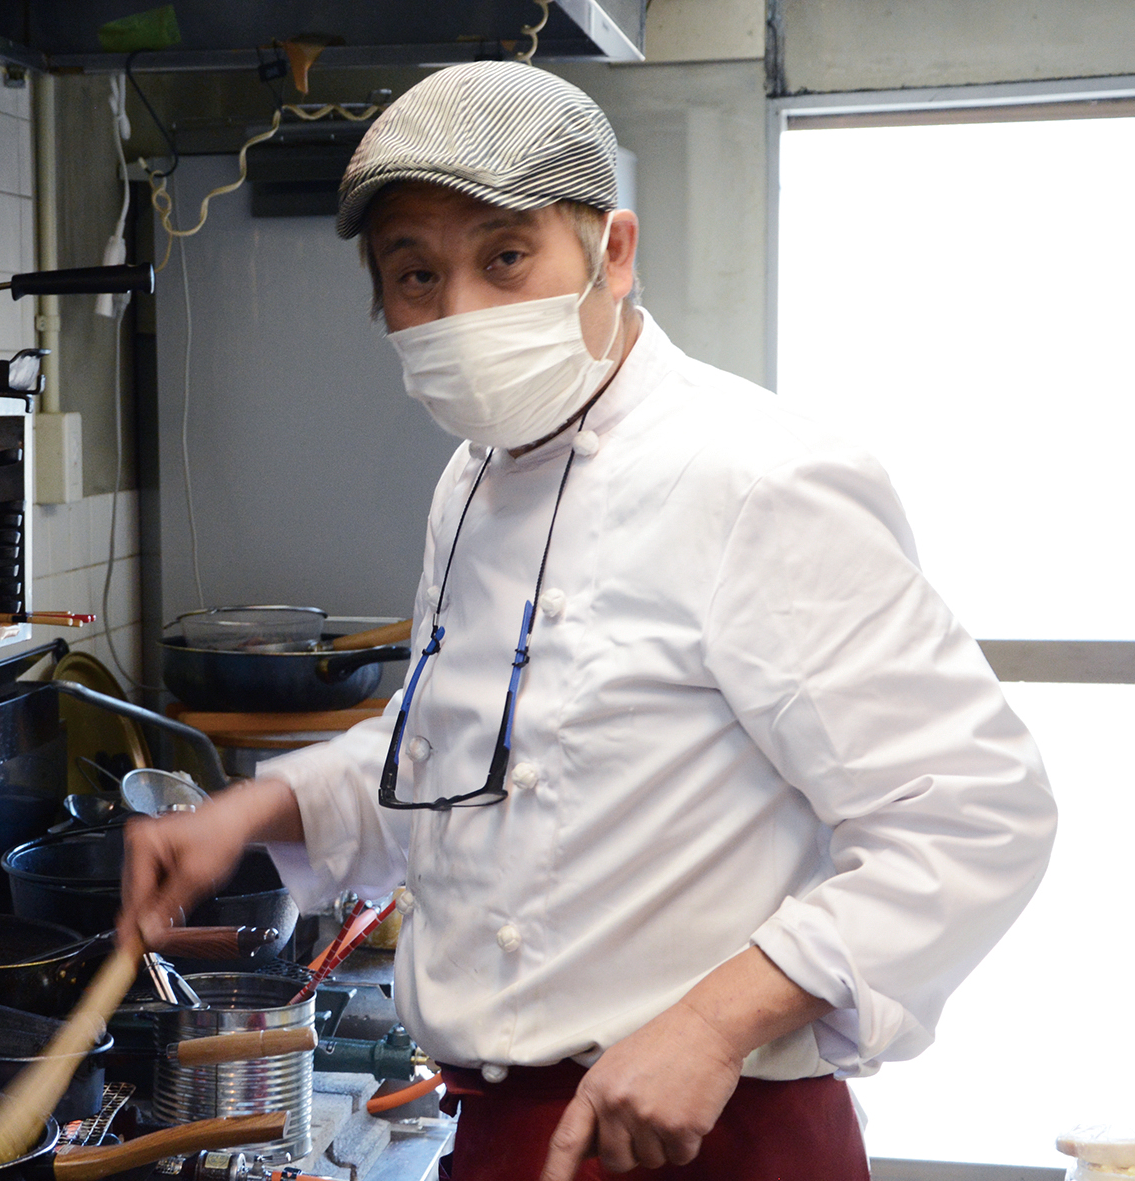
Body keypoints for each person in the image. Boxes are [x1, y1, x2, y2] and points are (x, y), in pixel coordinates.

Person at [118, 61, 1056, 1180]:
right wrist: (252, 810)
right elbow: (470, 759)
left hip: (712, 1136)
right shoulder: (472, 479)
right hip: (504, 1127)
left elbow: (972, 812)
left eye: (505, 258)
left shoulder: (755, 476)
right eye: (416, 275)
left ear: (613, 251)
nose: (460, 312)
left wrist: (711, 1023)